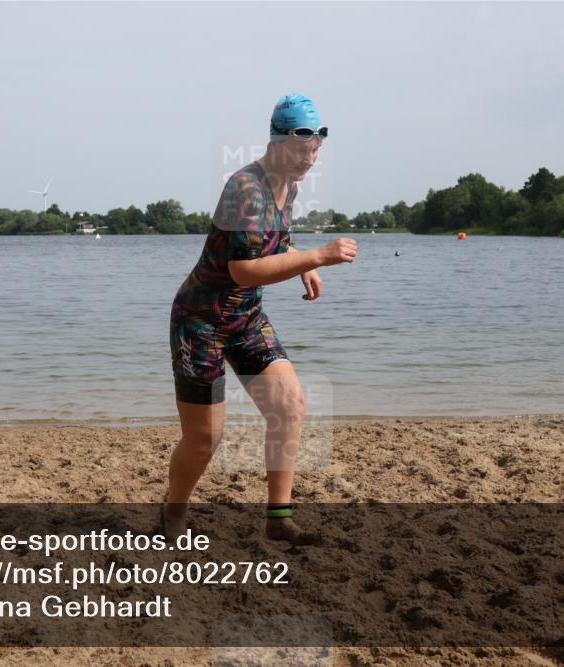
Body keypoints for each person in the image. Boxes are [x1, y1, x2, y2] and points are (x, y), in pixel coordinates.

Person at [165, 93, 357, 544]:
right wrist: (319, 255)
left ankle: (278, 518)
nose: (309, 161)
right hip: (201, 323)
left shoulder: (289, 182)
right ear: (278, 141)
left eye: (315, 153)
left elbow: (273, 245)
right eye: (302, 151)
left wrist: (301, 263)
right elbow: (242, 268)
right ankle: (173, 514)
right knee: (204, 439)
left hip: (245, 317)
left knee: (289, 406)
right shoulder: (243, 189)